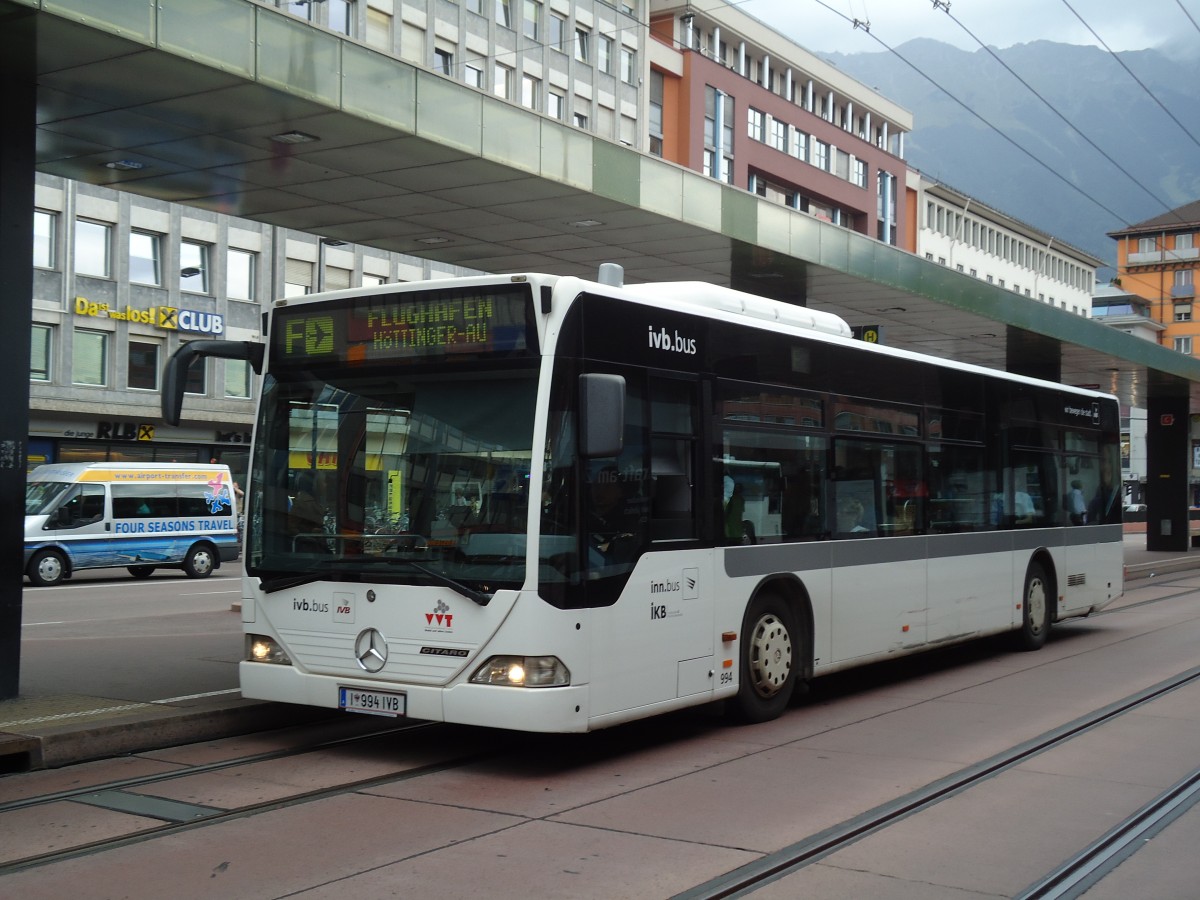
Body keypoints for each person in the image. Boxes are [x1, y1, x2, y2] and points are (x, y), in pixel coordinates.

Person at [288, 471, 327, 552]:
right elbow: (291, 529)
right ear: (314, 484)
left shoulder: (313, 502)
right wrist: (309, 532)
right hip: (308, 550)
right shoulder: (302, 504)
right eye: (323, 482)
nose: (325, 485)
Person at [1089, 452, 1121, 525]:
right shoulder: (1099, 495)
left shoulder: (1116, 493)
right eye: (1103, 461)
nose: (1106, 466)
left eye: (1109, 461)